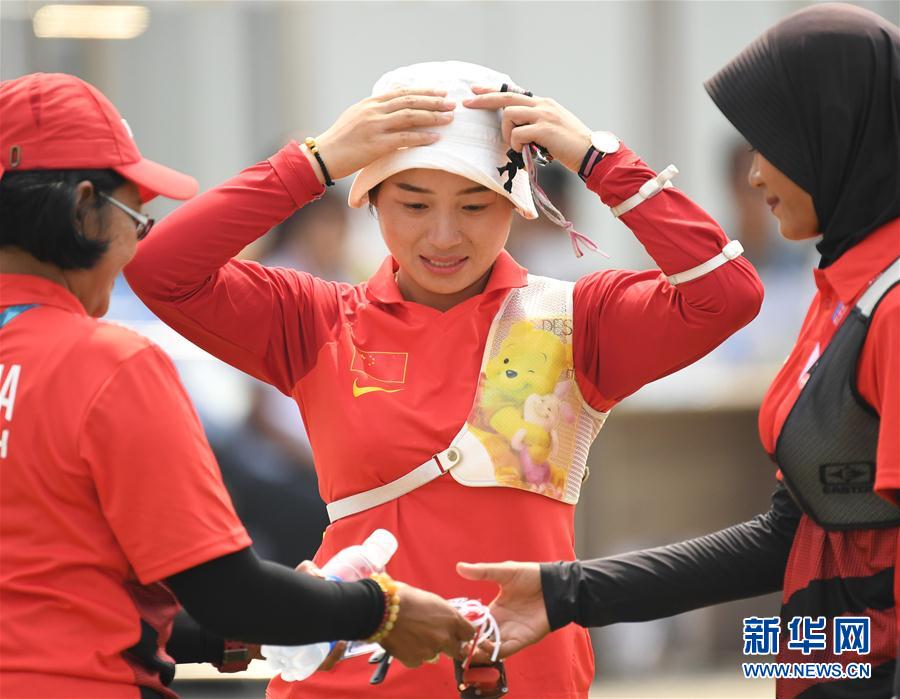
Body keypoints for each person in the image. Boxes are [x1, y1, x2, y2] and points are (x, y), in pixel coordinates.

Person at [124, 60, 763, 698]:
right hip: (344, 680)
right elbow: (158, 268)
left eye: (476, 205)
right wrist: (315, 161)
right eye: (413, 203)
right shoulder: (318, 321)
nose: (444, 235)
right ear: (371, 200)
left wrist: (597, 158)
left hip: (521, 677)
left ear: (515, 205)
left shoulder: (575, 322)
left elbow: (728, 292)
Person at [459, 5, 900, 698]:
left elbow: (720, 292)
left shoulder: (890, 308)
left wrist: (599, 161)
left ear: (836, 135)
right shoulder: (845, 288)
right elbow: (790, 535)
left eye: (771, 145)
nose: (754, 176)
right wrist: (565, 592)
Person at [0, 72, 474, 699]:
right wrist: (381, 610)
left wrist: (252, 635)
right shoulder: (106, 365)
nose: (136, 244)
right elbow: (226, 591)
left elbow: (60, 600)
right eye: (136, 219)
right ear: (85, 209)